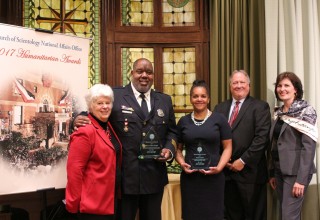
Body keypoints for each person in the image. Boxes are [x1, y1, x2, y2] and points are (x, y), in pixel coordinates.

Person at [73, 58, 178, 220]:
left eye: (148, 72)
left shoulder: (164, 100)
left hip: (154, 177)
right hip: (125, 179)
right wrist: (78, 118)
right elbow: (97, 110)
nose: (144, 75)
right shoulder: (116, 95)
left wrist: (169, 150)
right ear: (131, 73)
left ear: (153, 75)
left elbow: (172, 132)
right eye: (139, 71)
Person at [214, 70, 271, 220]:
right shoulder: (219, 108)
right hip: (226, 175)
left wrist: (243, 161)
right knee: (231, 216)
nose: (238, 85)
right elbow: (214, 138)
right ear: (230, 86)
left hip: (251, 174)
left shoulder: (260, 107)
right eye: (235, 82)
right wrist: (223, 160)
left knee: (253, 216)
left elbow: (262, 139)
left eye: (242, 82)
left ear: (249, 86)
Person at [175, 80, 232, 220]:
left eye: (203, 96)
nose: (199, 99)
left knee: (214, 215)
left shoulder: (220, 119)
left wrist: (219, 168)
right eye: (195, 96)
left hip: (214, 178)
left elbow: (228, 147)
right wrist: (182, 163)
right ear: (190, 98)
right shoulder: (183, 121)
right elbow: (177, 149)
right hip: (190, 179)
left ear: (208, 98)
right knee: (191, 215)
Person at [65, 84, 122, 220]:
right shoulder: (85, 131)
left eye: (108, 103)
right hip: (91, 205)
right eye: (99, 103)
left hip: (109, 200)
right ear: (90, 106)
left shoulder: (107, 126)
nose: (105, 106)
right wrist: (73, 203)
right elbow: (74, 170)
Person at [268, 72, 318, 220]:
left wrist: (301, 180)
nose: (282, 89)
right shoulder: (277, 113)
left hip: (296, 172)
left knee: (289, 216)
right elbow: (274, 143)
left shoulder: (306, 111)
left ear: (295, 89)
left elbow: (308, 147)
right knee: (287, 215)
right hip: (279, 171)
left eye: (286, 85)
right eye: (279, 85)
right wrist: (272, 172)